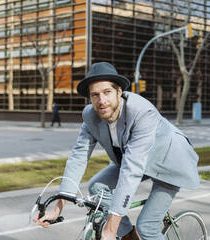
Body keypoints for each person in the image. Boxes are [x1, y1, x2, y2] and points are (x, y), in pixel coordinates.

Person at [34, 62, 200, 240]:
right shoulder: (90, 115)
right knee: (96, 187)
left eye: (107, 92)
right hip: (136, 161)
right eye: (95, 95)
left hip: (170, 163)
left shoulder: (142, 112)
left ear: (119, 91)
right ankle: (129, 236)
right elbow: (78, 158)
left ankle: (127, 232)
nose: (101, 100)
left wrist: (111, 228)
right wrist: (58, 207)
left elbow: (131, 171)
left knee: (147, 228)